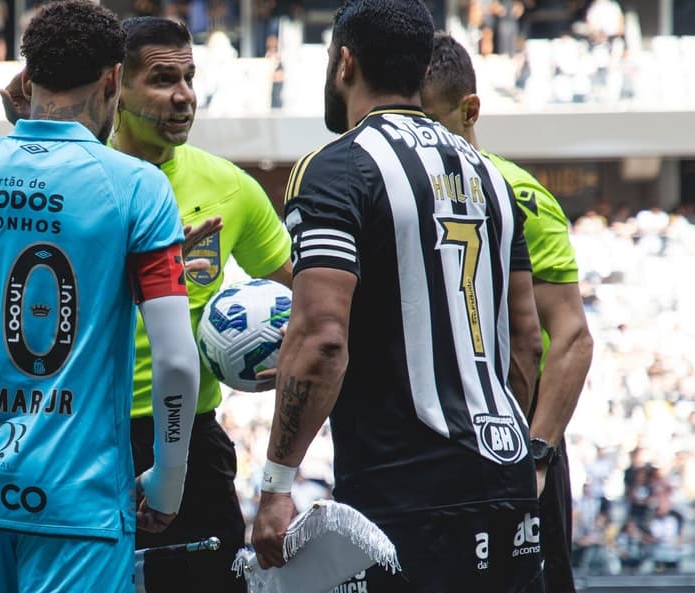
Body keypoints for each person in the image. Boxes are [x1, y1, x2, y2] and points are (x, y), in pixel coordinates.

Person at [250, 1, 546, 592]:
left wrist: (278, 484)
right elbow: (527, 341)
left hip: (405, 493)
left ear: (344, 63)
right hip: (507, 481)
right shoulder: (491, 175)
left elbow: (323, 339)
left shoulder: (335, 169)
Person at [0, 16, 293, 593]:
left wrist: (282, 346)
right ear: (115, 84)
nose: (183, 96)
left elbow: (302, 293)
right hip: (78, 432)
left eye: (189, 77)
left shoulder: (231, 187)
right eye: (162, 80)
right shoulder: (64, 183)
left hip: (190, 438)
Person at [0, 3, 200, 592]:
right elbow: (178, 362)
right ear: (113, 81)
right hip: (77, 500)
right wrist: (168, 482)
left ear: (26, 80)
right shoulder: (139, 188)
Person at [421, 32, 594, 593]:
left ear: (469, 110)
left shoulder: (520, 196)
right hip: (428, 441)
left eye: (428, 121)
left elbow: (570, 337)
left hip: (517, 443)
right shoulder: (395, 192)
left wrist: (536, 457)